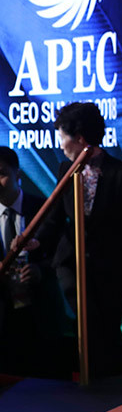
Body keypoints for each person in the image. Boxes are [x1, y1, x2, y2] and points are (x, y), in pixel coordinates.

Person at [33, 102, 122, 378]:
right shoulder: (65, 169)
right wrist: (35, 242)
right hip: (70, 262)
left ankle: (100, 389)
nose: (60, 145)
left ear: (80, 139)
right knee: (86, 319)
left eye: (62, 137)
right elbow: (54, 217)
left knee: (105, 332)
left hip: (107, 268)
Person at [0, 146, 47, 376]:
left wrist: (40, 270)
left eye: (1, 174)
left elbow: (61, 253)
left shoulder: (43, 209)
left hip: (41, 316)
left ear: (18, 174)